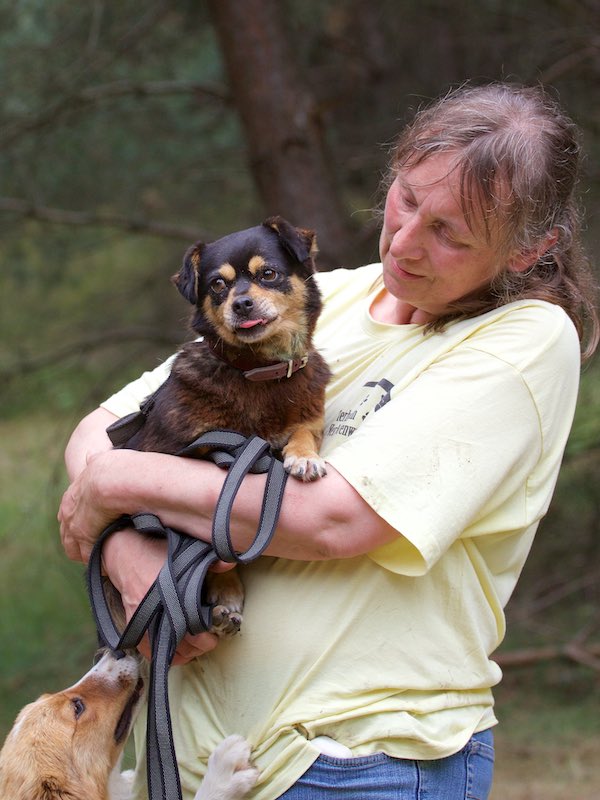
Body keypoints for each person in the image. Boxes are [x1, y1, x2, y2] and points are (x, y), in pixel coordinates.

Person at [59, 82, 599, 800]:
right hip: (197, 766)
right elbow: (101, 431)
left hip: (358, 763)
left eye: (449, 233)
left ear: (531, 247)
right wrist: (131, 556)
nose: (403, 240)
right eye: (407, 198)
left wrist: (115, 486)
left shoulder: (525, 339)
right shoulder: (326, 296)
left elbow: (333, 518)